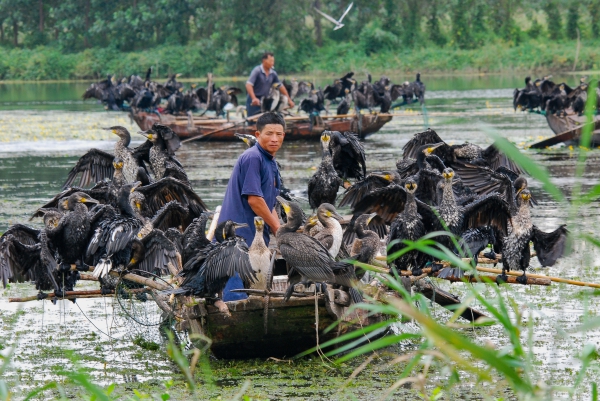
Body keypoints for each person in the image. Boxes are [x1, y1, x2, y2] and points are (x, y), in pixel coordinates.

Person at [218, 112, 286, 300]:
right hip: (236, 241)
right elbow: (255, 200)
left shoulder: (269, 161)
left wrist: (281, 231)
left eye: (278, 134)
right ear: (257, 135)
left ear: (284, 136)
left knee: (252, 292)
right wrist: (277, 228)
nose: (274, 139)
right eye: (269, 133)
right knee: (235, 297)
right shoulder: (253, 157)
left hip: (253, 240)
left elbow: (268, 202)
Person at [245, 52, 295, 117]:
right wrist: (254, 98)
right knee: (252, 123)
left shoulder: (273, 74)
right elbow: (248, 85)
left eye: (273, 61)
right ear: (264, 61)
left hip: (264, 101)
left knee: (264, 122)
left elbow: (281, 87)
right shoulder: (257, 71)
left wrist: (289, 100)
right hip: (254, 101)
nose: (272, 63)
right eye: (270, 61)